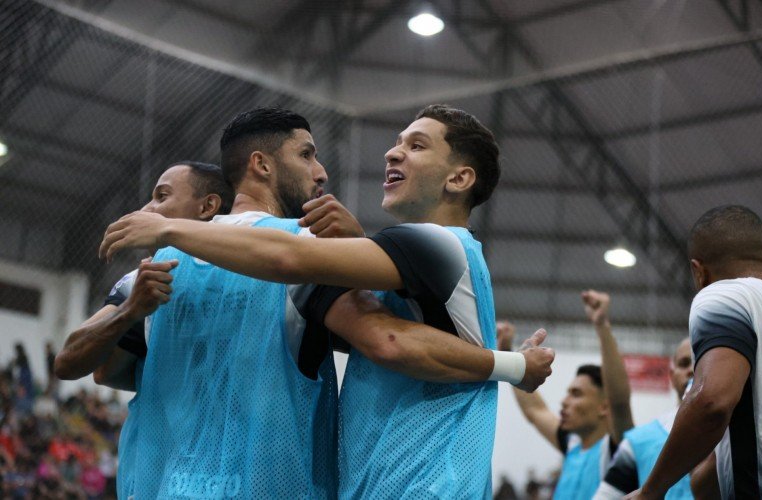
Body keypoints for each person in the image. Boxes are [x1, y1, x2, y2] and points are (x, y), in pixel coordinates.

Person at [99, 104, 556, 497]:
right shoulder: (408, 254)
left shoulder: (443, 244)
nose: (393, 151)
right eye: (398, 142)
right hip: (385, 479)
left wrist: (170, 227)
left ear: (459, 178)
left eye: (416, 146)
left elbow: (294, 263)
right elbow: (379, 331)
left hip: (426, 480)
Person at [55, 161, 234, 500]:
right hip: (164, 473)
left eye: (161, 197)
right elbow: (70, 363)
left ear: (208, 206)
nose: (145, 210)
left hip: (238, 472)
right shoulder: (138, 283)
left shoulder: (261, 270)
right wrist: (129, 311)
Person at [627, 205, 762, 499]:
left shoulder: (724, 295)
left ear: (699, 272)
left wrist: (651, 490)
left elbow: (711, 403)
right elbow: (706, 479)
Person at [501, 290, 634, 500]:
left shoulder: (616, 451)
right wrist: (508, 355)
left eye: (576, 394)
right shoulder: (572, 444)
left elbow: (620, 402)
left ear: (604, 406)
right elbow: (535, 411)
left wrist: (602, 325)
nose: (564, 401)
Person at [594, 338, 693, 499]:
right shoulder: (639, 441)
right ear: (672, 376)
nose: (692, 370)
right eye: (684, 363)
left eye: (701, 361)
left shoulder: (739, 434)